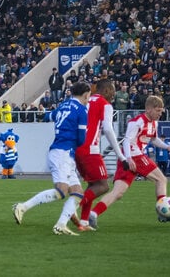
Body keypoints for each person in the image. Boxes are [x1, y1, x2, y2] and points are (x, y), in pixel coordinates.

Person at [12, 81, 92, 235]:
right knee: (61, 191)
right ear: (85, 94)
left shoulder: (63, 105)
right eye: (89, 95)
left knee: (77, 192)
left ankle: (61, 225)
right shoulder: (82, 110)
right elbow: (82, 139)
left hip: (63, 153)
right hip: (63, 153)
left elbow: (50, 116)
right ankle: (22, 206)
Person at [89, 95, 170, 225]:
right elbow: (127, 140)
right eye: (158, 111)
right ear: (149, 109)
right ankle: (163, 213)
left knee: (118, 193)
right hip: (134, 156)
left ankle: (93, 214)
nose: (160, 114)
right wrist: (128, 158)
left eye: (161, 111)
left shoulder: (154, 122)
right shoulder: (137, 122)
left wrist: (168, 147)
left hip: (131, 158)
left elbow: (153, 139)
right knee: (161, 179)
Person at [74, 79, 131, 229]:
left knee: (93, 185)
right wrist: (121, 156)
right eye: (112, 90)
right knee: (103, 186)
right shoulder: (105, 104)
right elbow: (108, 129)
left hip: (77, 147)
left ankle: (84, 222)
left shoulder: (84, 101)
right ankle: (71, 208)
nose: (114, 93)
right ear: (106, 90)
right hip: (90, 149)